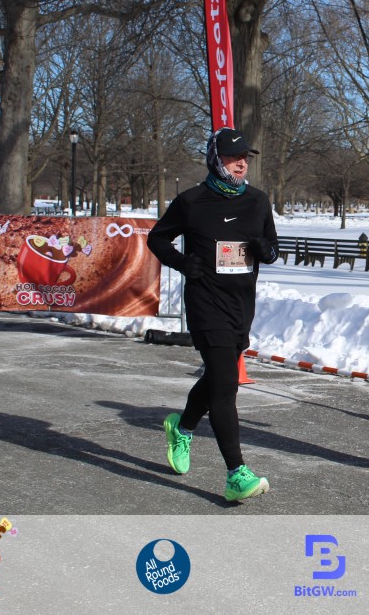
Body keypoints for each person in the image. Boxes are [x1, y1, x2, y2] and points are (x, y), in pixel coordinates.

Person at [147, 127, 279, 502]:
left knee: (216, 379)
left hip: (241, 305)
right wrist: (181, 263)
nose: (241, 164)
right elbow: (157, 238)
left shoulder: (257, 201)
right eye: (232, 158)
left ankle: (182, 427)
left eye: (244, 158)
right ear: (215, 160)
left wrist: (264, 249)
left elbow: (273, 249)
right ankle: (236, 474)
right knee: (225, 386)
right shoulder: (192, 202)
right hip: (205, 303)